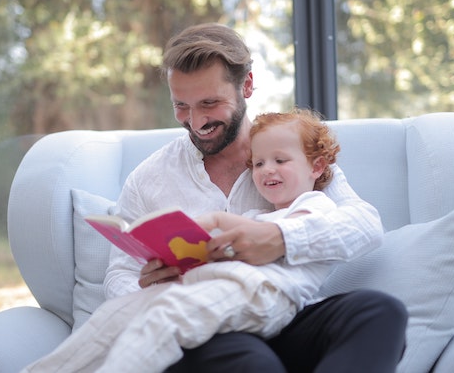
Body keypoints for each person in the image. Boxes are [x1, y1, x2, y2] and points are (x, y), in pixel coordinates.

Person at [25, 23, 408, 373]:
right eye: (181, 106)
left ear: (247, 86)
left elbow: (365, 224)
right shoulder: (150, 179)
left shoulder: (288, 156)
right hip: (203, 324)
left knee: (380, 312)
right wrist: (156, 286)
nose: (196, 122)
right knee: (246, 360)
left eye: (209, 104)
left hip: (282, 311)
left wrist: (279, 240)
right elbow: (119, 274)